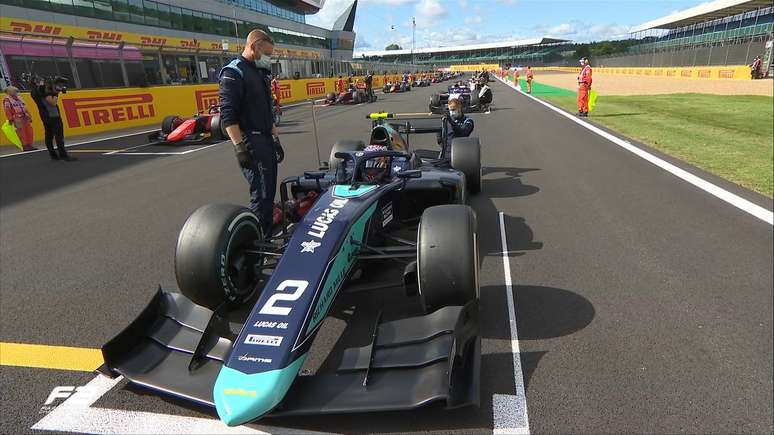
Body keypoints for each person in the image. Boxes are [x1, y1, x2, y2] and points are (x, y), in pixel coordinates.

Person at [219, 29, 284, 237]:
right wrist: (240, 147)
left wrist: (275, 138)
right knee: (261, 193)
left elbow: (267, 108)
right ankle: (259, 243)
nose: (269, 58)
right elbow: (228, 115)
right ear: (254, 46)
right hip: (250, 140)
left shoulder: (261, 72)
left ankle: (265, 233)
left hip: (265, 137)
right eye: (266, 53)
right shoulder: (233, 72)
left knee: (270, 191)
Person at [31, 78, 72, 160]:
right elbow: (52, 102)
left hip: (44, 116)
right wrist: (56, 93)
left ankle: (53, 154)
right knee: (58, 135)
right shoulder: (43, 91)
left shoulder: (34, 92)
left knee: (48, 135)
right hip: (53, 115)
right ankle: (63, 155)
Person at [2, 86, 36, 151]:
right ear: (10, 92)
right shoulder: (7, 100)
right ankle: (25, 145)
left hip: (25, 116)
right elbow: (7, 110)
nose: (17, 92)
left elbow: (25, 107)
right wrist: (10, 119)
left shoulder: (20, 98)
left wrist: (29, 116)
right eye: (15, 91)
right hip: (17, 118)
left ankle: (30, 144)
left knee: (29, 130)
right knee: (21, 132)